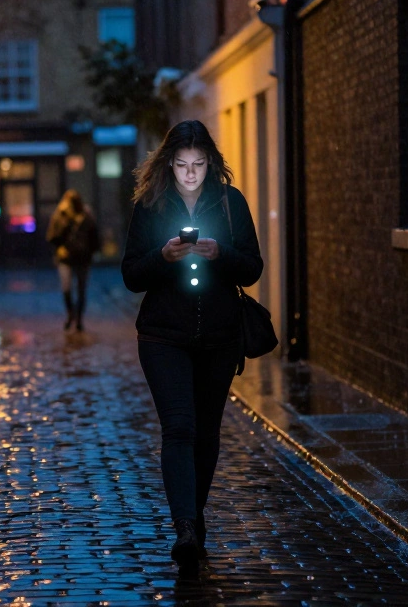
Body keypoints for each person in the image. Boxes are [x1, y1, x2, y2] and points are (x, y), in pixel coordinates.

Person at [121, 120, 263, 568]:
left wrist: (222, 254)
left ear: (210, 163)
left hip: (220, 337)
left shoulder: (229, 202)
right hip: (163, 336)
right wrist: (162, 257)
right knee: (179, 427)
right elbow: (130, 274)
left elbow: (253, 268)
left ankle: (194, 516)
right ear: (168, 164)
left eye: (198, 164)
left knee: (206, 433)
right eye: (182, 164)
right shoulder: (150, 204)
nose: (189, 173)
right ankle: (184, 526)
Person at [46, 190, 99, 331]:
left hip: (82, 258)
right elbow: (53, 236)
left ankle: (79, 318)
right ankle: (71, 314)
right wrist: (64, 218)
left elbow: (94, 236)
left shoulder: (86, 216)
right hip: (66, 258)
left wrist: (90, 252)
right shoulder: (61, 215)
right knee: (67, 288)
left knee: (81, 289)